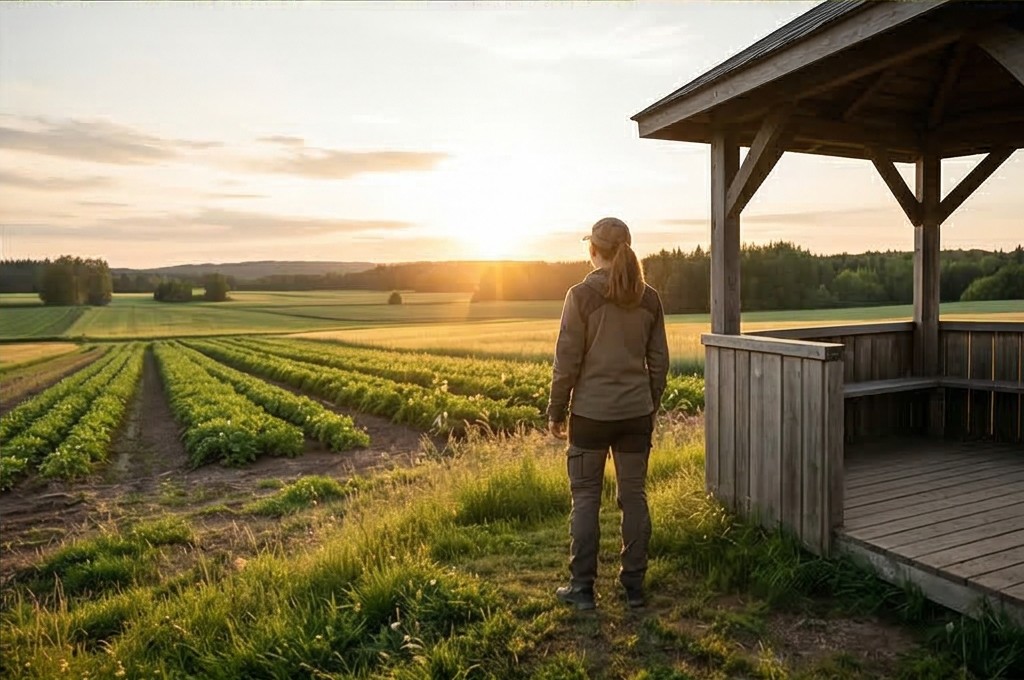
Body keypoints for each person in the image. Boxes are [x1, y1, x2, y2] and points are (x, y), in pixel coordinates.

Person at [547, 217, 669, 611]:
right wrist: (648, 403)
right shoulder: (649, 298)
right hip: (636, 414)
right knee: (634, 498)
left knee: (585, 499)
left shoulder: (580, 295)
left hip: (590, 415)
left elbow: (566, 360)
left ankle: (582, 589)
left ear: (593, 251)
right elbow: (659, 361)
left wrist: (556, 409)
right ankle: (634, 589)